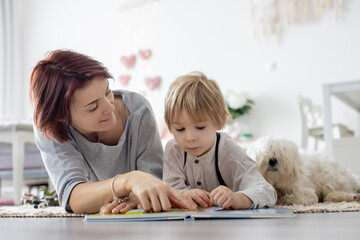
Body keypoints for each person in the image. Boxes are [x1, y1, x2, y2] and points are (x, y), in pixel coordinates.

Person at [29, 49, 197, 214]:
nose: (110, 107)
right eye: (93, 107)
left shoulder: (138, 111)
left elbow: (152, 183)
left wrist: (138, 193)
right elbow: (72, 196)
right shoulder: (51, 128)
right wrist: (127, 181)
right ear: (62, 116)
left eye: (107, 91)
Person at [163, 71, 277, 209]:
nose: (189, 138)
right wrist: (182, 196)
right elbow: (170, 190)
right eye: (179, 129)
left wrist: (238, 198)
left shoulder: (229, 150)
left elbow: (266, 191)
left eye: (200, 127)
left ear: (219, 121)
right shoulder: (173, 149)